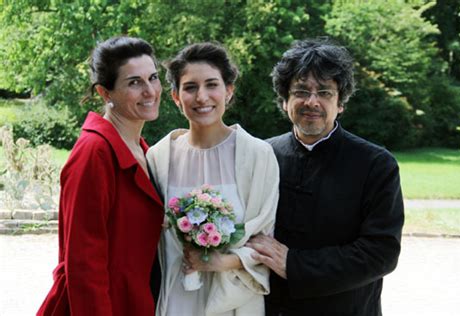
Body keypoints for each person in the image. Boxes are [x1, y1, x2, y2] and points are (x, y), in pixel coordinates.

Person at [246, 38, 405, 315]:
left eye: (324, 92)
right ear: (285, 101)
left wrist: (293, 264)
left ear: (340, 102)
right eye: (301, 91)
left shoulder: (376, 164)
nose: (312, 101)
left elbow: (381, 253)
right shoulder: (261, 154)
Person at [146, 42, 279, 316]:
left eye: (212, 85)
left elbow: (266, 240)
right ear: (175, 96)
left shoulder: (258, 155)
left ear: (228, 91)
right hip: (176, 299)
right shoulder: (159, 157)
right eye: (190, 87)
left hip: (234, 301)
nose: (201, 97)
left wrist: (221, 262)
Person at [37, 36, 165, 316]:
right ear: (105, 94)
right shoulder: (94, 153)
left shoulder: (145, 151)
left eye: (153, 78)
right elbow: (83, 266)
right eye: (134, 82)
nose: (150, 91)